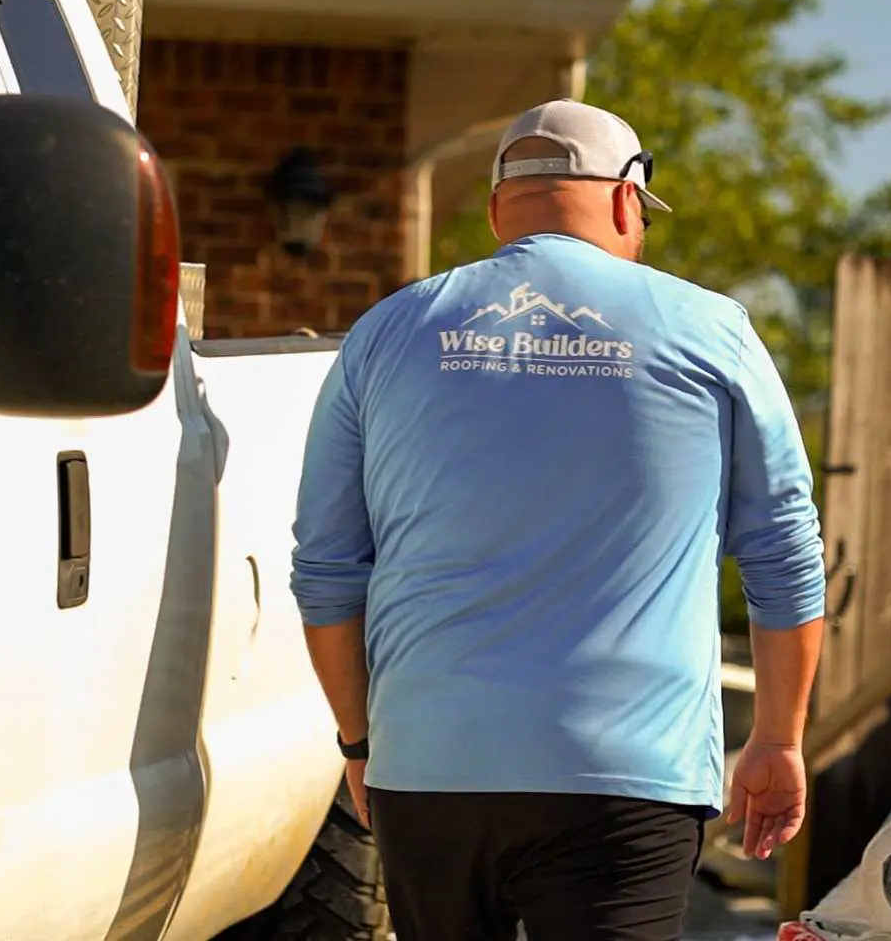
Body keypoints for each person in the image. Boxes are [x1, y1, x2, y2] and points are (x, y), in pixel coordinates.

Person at [289, 98, 827, 941]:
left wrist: (362, 744)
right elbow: (785, 549)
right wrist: (777, 738)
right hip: (629, 776)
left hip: (430, 767)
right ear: (625, 200)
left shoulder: (386, 332)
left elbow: (325, 570)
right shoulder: (711, 331)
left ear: (501, 209)